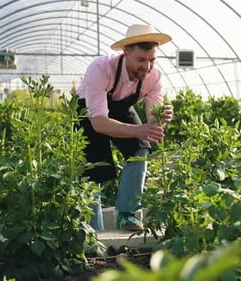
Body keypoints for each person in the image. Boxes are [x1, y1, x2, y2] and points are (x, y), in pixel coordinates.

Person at [77, 24, 174, 231]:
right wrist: (138, 130)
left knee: (140, 148)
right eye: (141, 60)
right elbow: (99, 122)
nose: (147, 67)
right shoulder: (101, 69)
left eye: (152, 60)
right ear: (126, 52)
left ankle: (127, 213)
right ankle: (93, 228)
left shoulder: (154, 76)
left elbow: (152, 120)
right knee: (94, 167)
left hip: (122, 109)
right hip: (91, 113)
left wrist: (161, 118)